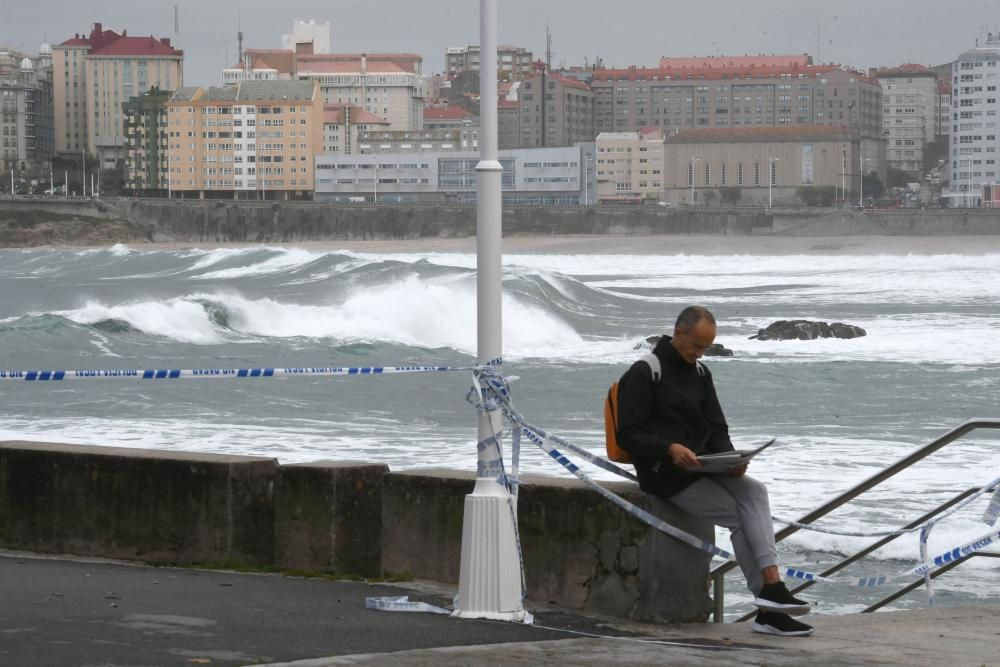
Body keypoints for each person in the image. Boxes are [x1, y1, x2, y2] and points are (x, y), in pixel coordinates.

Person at [616, 305, 814, 637]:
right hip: (666, 473)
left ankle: (772, 589)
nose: (699, 353)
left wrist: (730, 459)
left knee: (755, 491)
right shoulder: (644, 371)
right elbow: (629, 434)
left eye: (706, 347)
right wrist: (669, 449)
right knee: (737, 515)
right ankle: (769, 605)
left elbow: (717, 427)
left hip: (705, 466)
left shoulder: (702, 374)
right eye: (695, 345)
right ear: (677, 332)